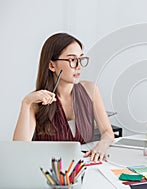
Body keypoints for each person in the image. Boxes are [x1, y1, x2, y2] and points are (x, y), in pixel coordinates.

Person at [13, 33, 114, 162]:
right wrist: (26, 103)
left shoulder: (90, 90)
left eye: (81, 59)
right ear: (52, 66)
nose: (78, 66)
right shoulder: (37, 102)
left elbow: (107, 132)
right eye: (72, 60)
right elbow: (18, 150)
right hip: (51, 173)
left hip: (85, 169)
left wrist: (102, 145)